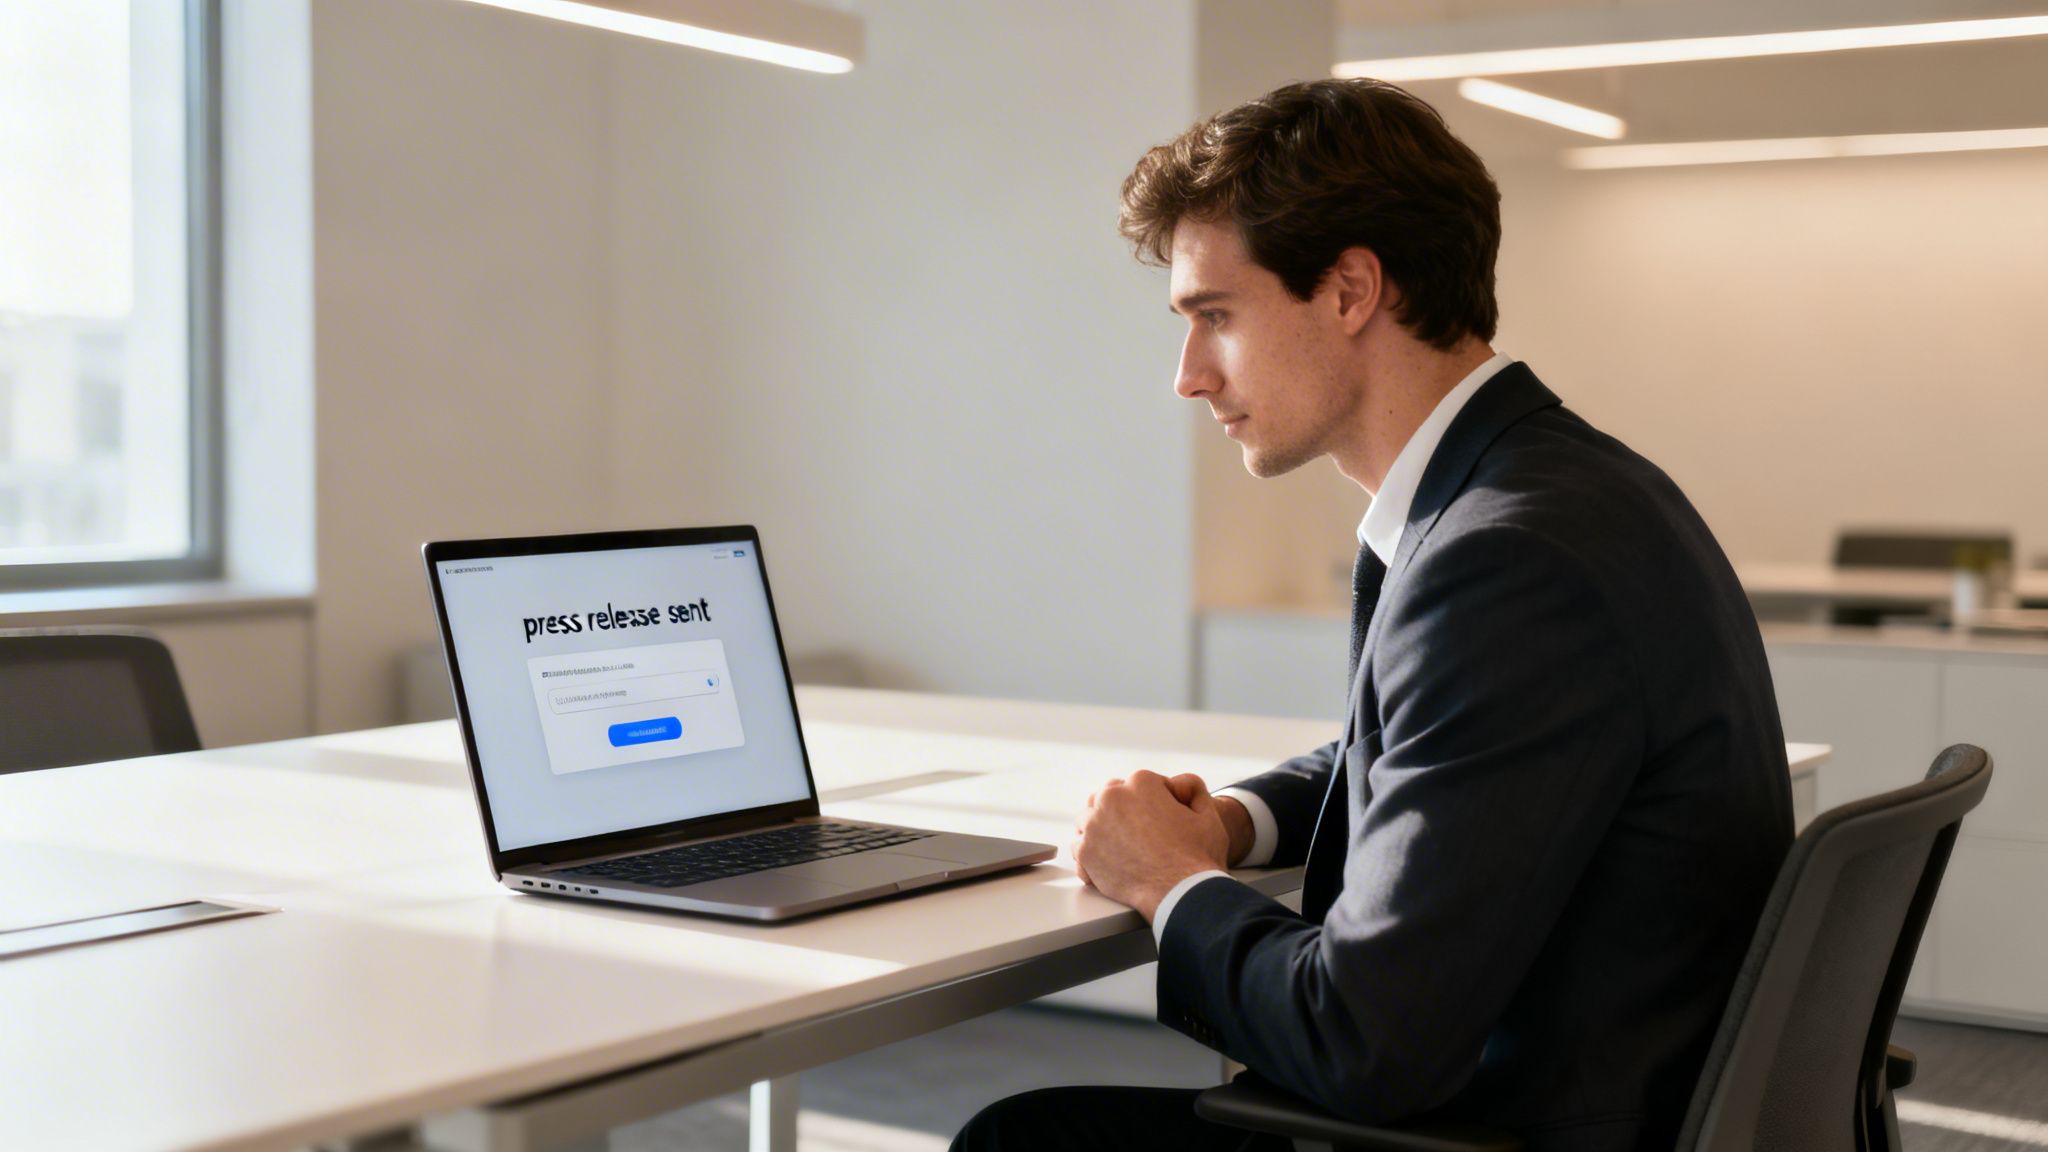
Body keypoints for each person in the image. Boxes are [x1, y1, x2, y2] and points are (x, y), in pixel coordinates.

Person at [952, 78, 1792, 1152]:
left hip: (1510, 1121)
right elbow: (1411, 753)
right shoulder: (1553, 489)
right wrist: (1227, 823)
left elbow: (1362, 1042)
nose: (1186, 376)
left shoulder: (1504, 559)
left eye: (1214, 316)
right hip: (1600, 1086)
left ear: (1351, 289)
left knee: (1020, 1142)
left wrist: (1171, 882)